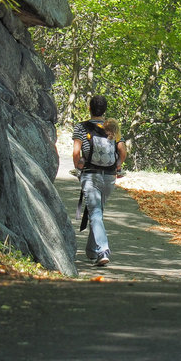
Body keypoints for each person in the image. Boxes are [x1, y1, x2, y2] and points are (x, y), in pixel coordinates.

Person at [72, 95, 127, 266]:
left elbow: (76, 152)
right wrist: (117, 166)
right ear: (104, 110)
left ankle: (102, 250)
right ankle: (91, 251)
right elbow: (123, 152)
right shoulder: (112, 128)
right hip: (109, 177)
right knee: (97, 212)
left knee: (95, 213)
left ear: (89, 108)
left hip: (90, 174)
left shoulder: (81, 127)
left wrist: (78, 168)